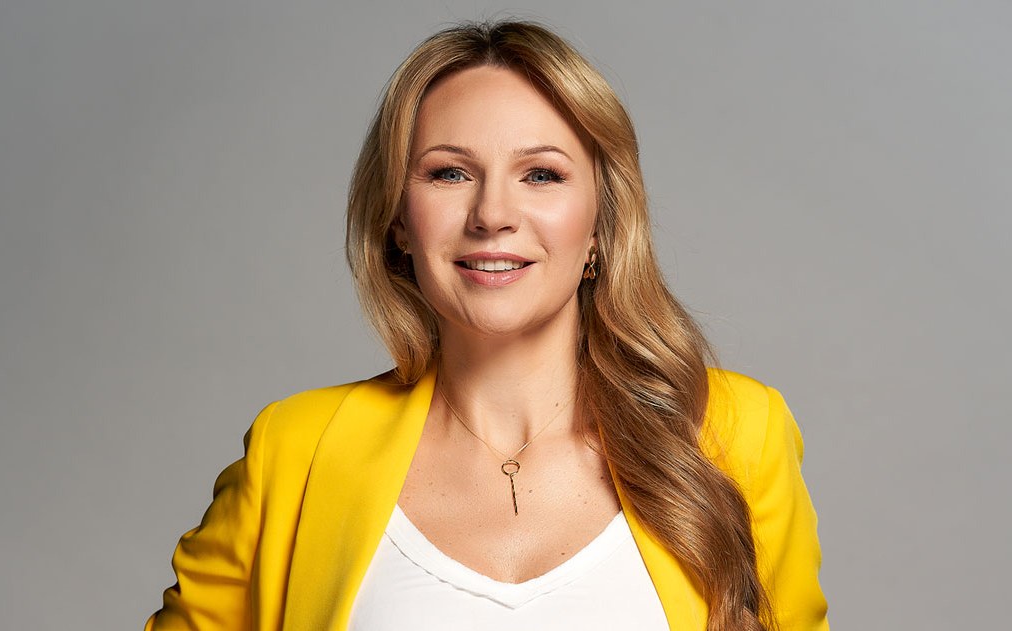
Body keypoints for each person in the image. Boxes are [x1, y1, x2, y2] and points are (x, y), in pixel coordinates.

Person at [146, 20, 828, 631]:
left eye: (541, 175)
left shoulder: (737, 434)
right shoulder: (294, 450)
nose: (493, 214)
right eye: (449, 173)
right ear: (398, 220)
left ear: (600, 223)